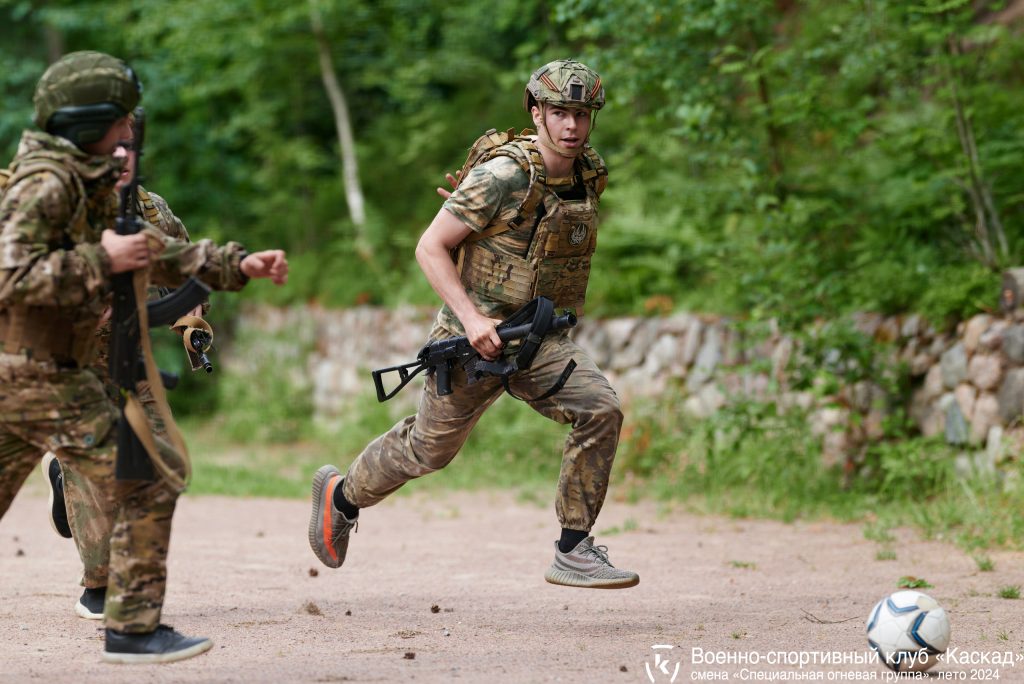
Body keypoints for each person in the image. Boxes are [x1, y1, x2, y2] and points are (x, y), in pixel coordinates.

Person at [0, 51, 288, 663]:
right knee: (149, 480)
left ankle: (130, 627)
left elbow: (151, 250)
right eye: (121, 119)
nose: (131, 131)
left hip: (54, 376)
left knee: (148, 478)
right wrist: (101, 265)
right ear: (90, 121)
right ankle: (130, 629)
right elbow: (14, 275)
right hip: (29, 375)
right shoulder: (46, 184)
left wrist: (236, 265)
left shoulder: (88, 181)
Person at [308, 59, 638, 589]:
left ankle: (574, 548)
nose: (572, 126)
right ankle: (341, 497)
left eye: (581, 114)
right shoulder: (503, 174)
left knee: (601, 408)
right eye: (559, 112)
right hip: (470, 344)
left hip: (538, 340)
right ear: (536, 113)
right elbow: (431, 246)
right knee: (428, 451)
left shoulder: (588, 174)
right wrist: (471, 317)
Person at [39, 127, 210, 623]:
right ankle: (100, 583)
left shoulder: (150, 210)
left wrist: (190, 320)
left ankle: (60, 477)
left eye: (129, 142)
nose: (123, 153)